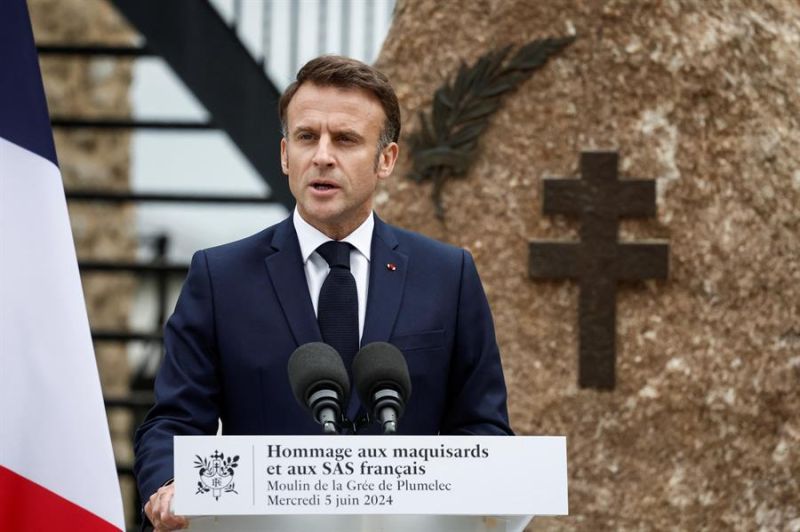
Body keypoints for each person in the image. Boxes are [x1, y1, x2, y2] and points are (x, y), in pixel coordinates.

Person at [134, 55, 512, 530]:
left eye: (347, 139)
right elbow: (174, 421)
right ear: (285, 154)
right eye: (307, 137)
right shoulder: (220, 277)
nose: (323, 156)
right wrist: (169, 485)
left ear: (386, 159)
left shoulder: (447, 275)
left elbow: (483, 426)